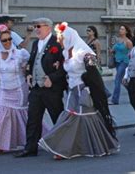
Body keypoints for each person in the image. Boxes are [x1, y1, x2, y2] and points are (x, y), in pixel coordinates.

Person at [38, 23, 119, 160]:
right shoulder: (66, 52)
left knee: (81, 118)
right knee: (70, 117)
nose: (58, 41)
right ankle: (66, 148)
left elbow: (94, 72)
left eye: (60, 38)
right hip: (72, 90)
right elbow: (65, 70)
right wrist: (54, 72)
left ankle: (69, 148)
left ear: (68, 37)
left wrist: (88, 77)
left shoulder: (84, 53)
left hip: (83, 91)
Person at [15, 18, 67, 158]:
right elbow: (31, 62)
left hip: (52, 89)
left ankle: (62, 147)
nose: (36, 29)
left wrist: (53, 78)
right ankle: (30, 148)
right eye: (34, 26)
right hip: (37, 88)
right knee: (33, 119)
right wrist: (28, 74)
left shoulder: (58, 42)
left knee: (58, 118)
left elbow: (65, 65)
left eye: (38, 26)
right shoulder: (36, 43)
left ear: (48, 28)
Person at [0, 26, 38, 153]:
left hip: (19, 89)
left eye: (9, 39)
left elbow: (31, 64)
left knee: (20, 115)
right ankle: (0, 144)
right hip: (4, 89)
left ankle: (30, 139)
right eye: (4, 40)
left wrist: (27, 70)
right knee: (2, 115)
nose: (8, 42)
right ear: (0, 42)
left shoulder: (20, 53)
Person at [109, 25, 133, 105]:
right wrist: (111, 51)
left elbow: (132, 53)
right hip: (117, 62)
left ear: (126, 31)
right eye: (120, 29)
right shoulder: (117, 40)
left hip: (124, 62)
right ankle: (134, 92)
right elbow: (114, 50)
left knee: (117, 80)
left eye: (122, 29)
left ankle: (114, 100)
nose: (120, 30)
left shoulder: (128, 42)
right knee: (123, 81)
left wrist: (131, 65)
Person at [86, 26, 111, 98]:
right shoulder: (87, 40)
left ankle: (105, 93)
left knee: (96, 78)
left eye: (89, 30)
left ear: (93, 32)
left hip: (94, 61)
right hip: (88, 60)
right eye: (87, 30)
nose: (87, 32)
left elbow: (98, 53)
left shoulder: (96, 41)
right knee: (93, 78)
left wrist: (98, 64)